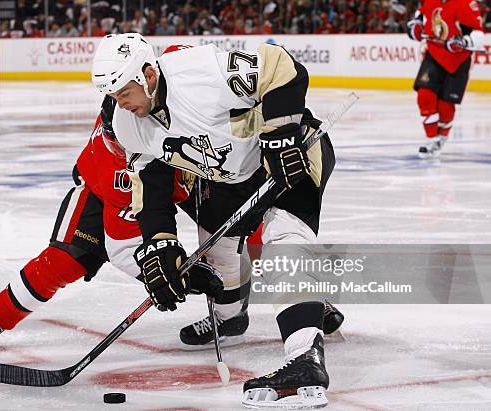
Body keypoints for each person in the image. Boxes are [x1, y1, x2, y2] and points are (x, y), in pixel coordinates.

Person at [91, 33, 336, 408]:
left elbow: (279, 65)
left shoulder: (199, 72)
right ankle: (233, 316)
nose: (118, 103)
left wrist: (282, 134)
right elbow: (150, 184)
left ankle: (305, 355)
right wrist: (160, 243)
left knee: (284, 237)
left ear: (148, 74)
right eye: (112, 96)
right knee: (218, 248)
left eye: (123, 91)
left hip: (289, 157)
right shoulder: (128, 123)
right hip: (231, 177)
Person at [0, 99, 223, 352]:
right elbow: (123, 248)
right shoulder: (125, 177)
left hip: (162, 184)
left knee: (229, 232)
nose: (124, 147)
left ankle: (233, 314)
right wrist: (179, 275)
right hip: (99, 194)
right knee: (64, 260)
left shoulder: (132, 104)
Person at [407, 0, 485, 158]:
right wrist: (415, 27)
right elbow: (421, 17)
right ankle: (431, 140)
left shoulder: (467, 3)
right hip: (434, 54)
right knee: (425, 96)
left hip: (458, 60)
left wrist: (464, 42)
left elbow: (478, 33)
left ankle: (441, 137)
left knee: (445, 107)